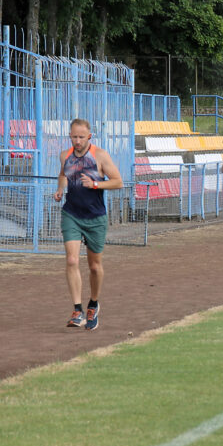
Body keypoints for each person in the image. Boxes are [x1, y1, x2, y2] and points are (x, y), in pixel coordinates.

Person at [53, 118, 123, 331]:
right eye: (74, 136)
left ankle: (93, 303)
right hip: (71, 214)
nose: (77, 141)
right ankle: (77, 309)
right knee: (72, 260)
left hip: (95, 217)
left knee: (94, 266)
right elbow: (64, 174)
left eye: (81, 137)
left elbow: (118, 181)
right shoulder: (65, 155)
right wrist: (59, 189)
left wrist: (95, 184)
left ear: (89, 137)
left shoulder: (100, 156)